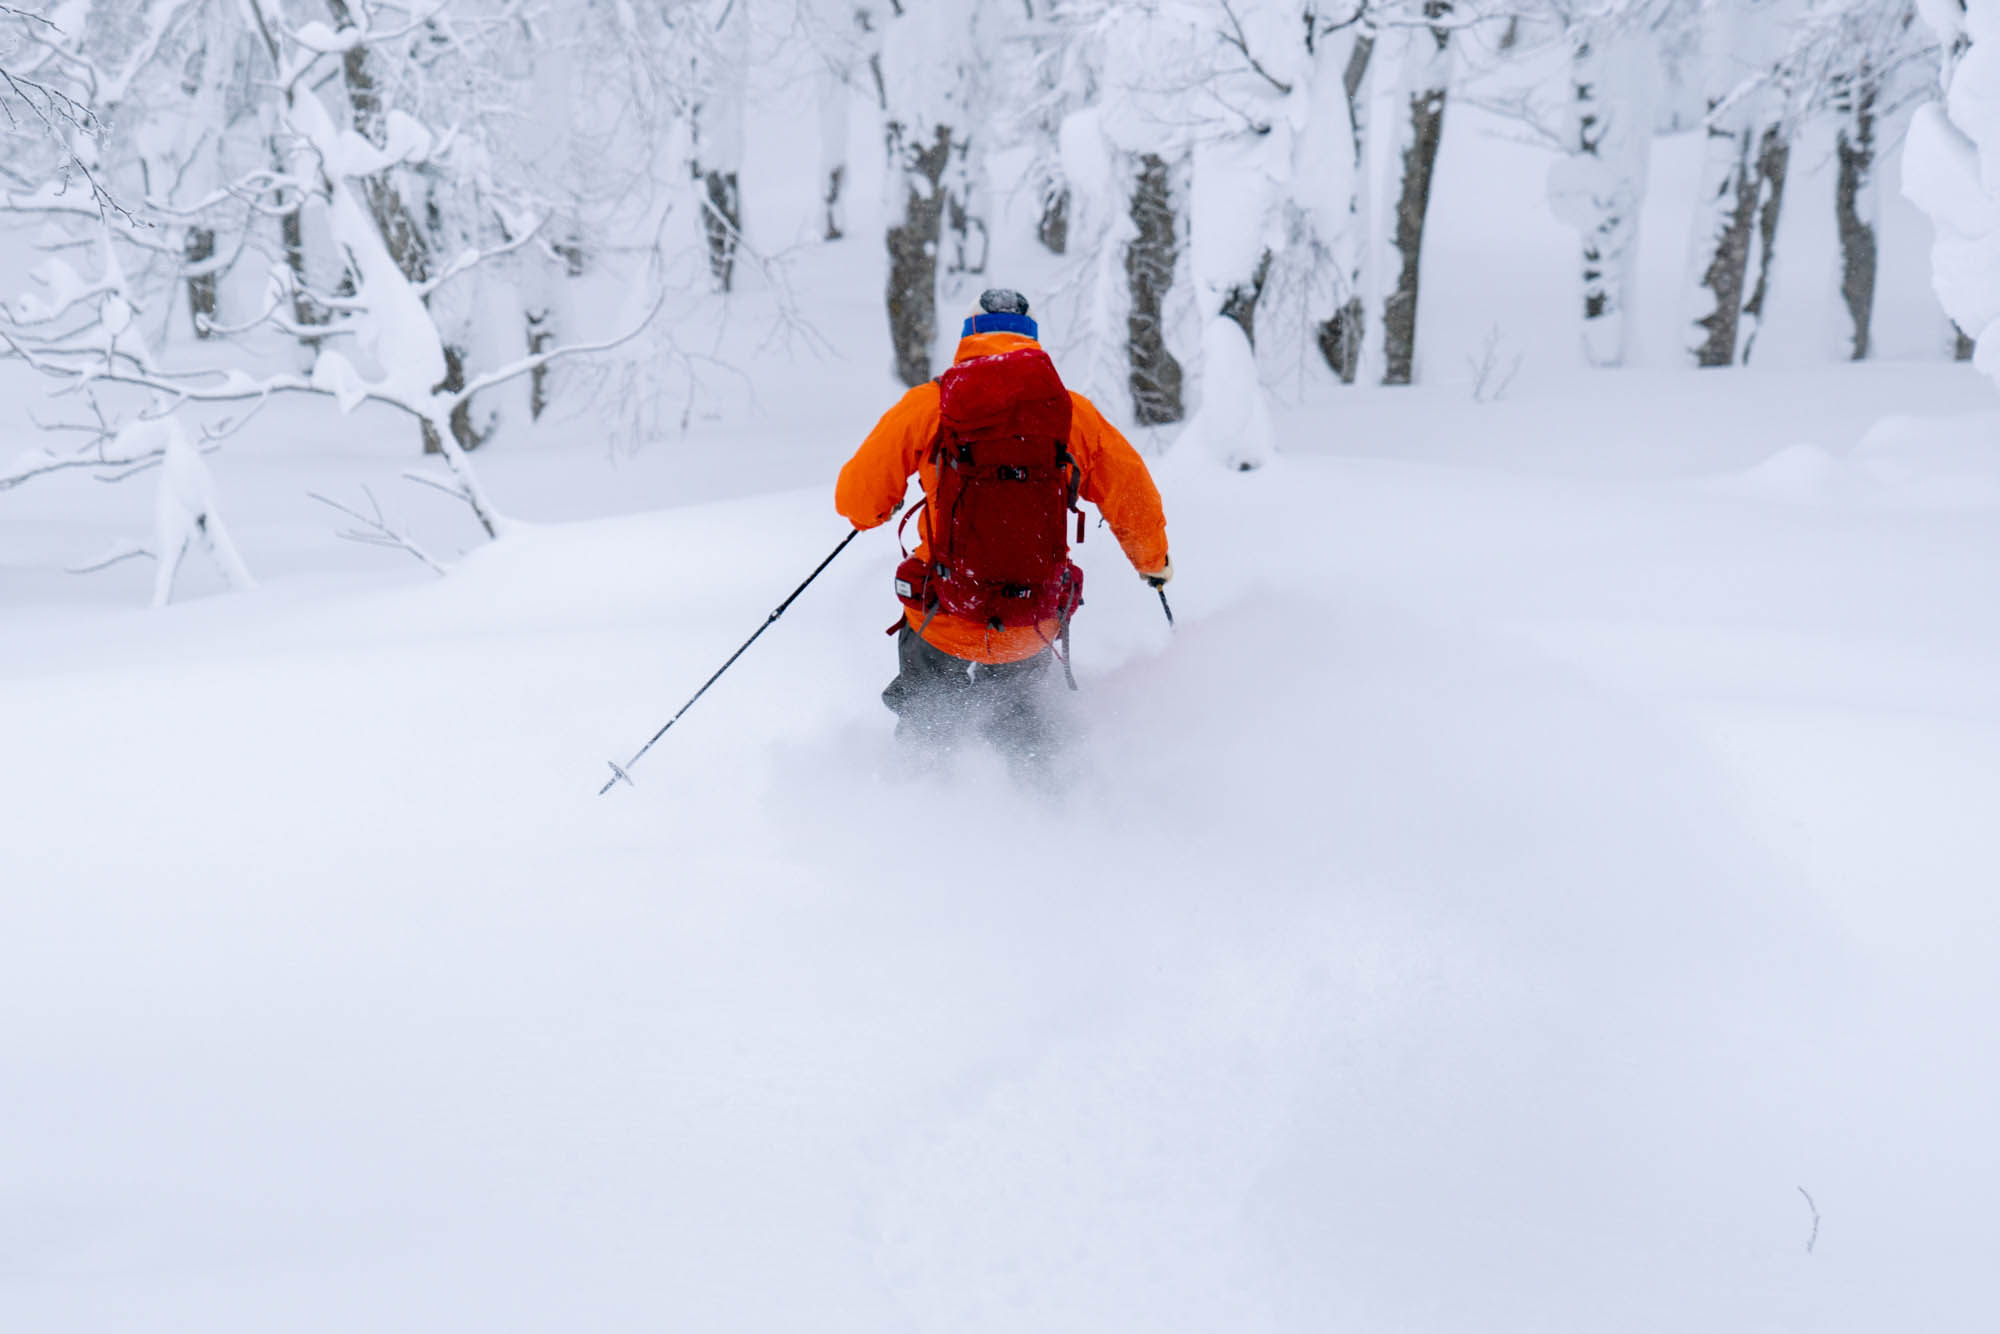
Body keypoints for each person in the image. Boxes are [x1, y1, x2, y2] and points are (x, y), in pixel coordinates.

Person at [836, 288, 1171, 759]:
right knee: (1023, 730)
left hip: (944, 612)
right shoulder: (1072, 414)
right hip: (1030, 620)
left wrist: (875, 511)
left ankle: (915, 799)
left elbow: (856, 497)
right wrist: (1153, 563)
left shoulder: (931, 405)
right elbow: (1132, 498)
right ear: (1032, 340)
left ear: (968, 336)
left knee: (928, 731)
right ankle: (1043, 810)